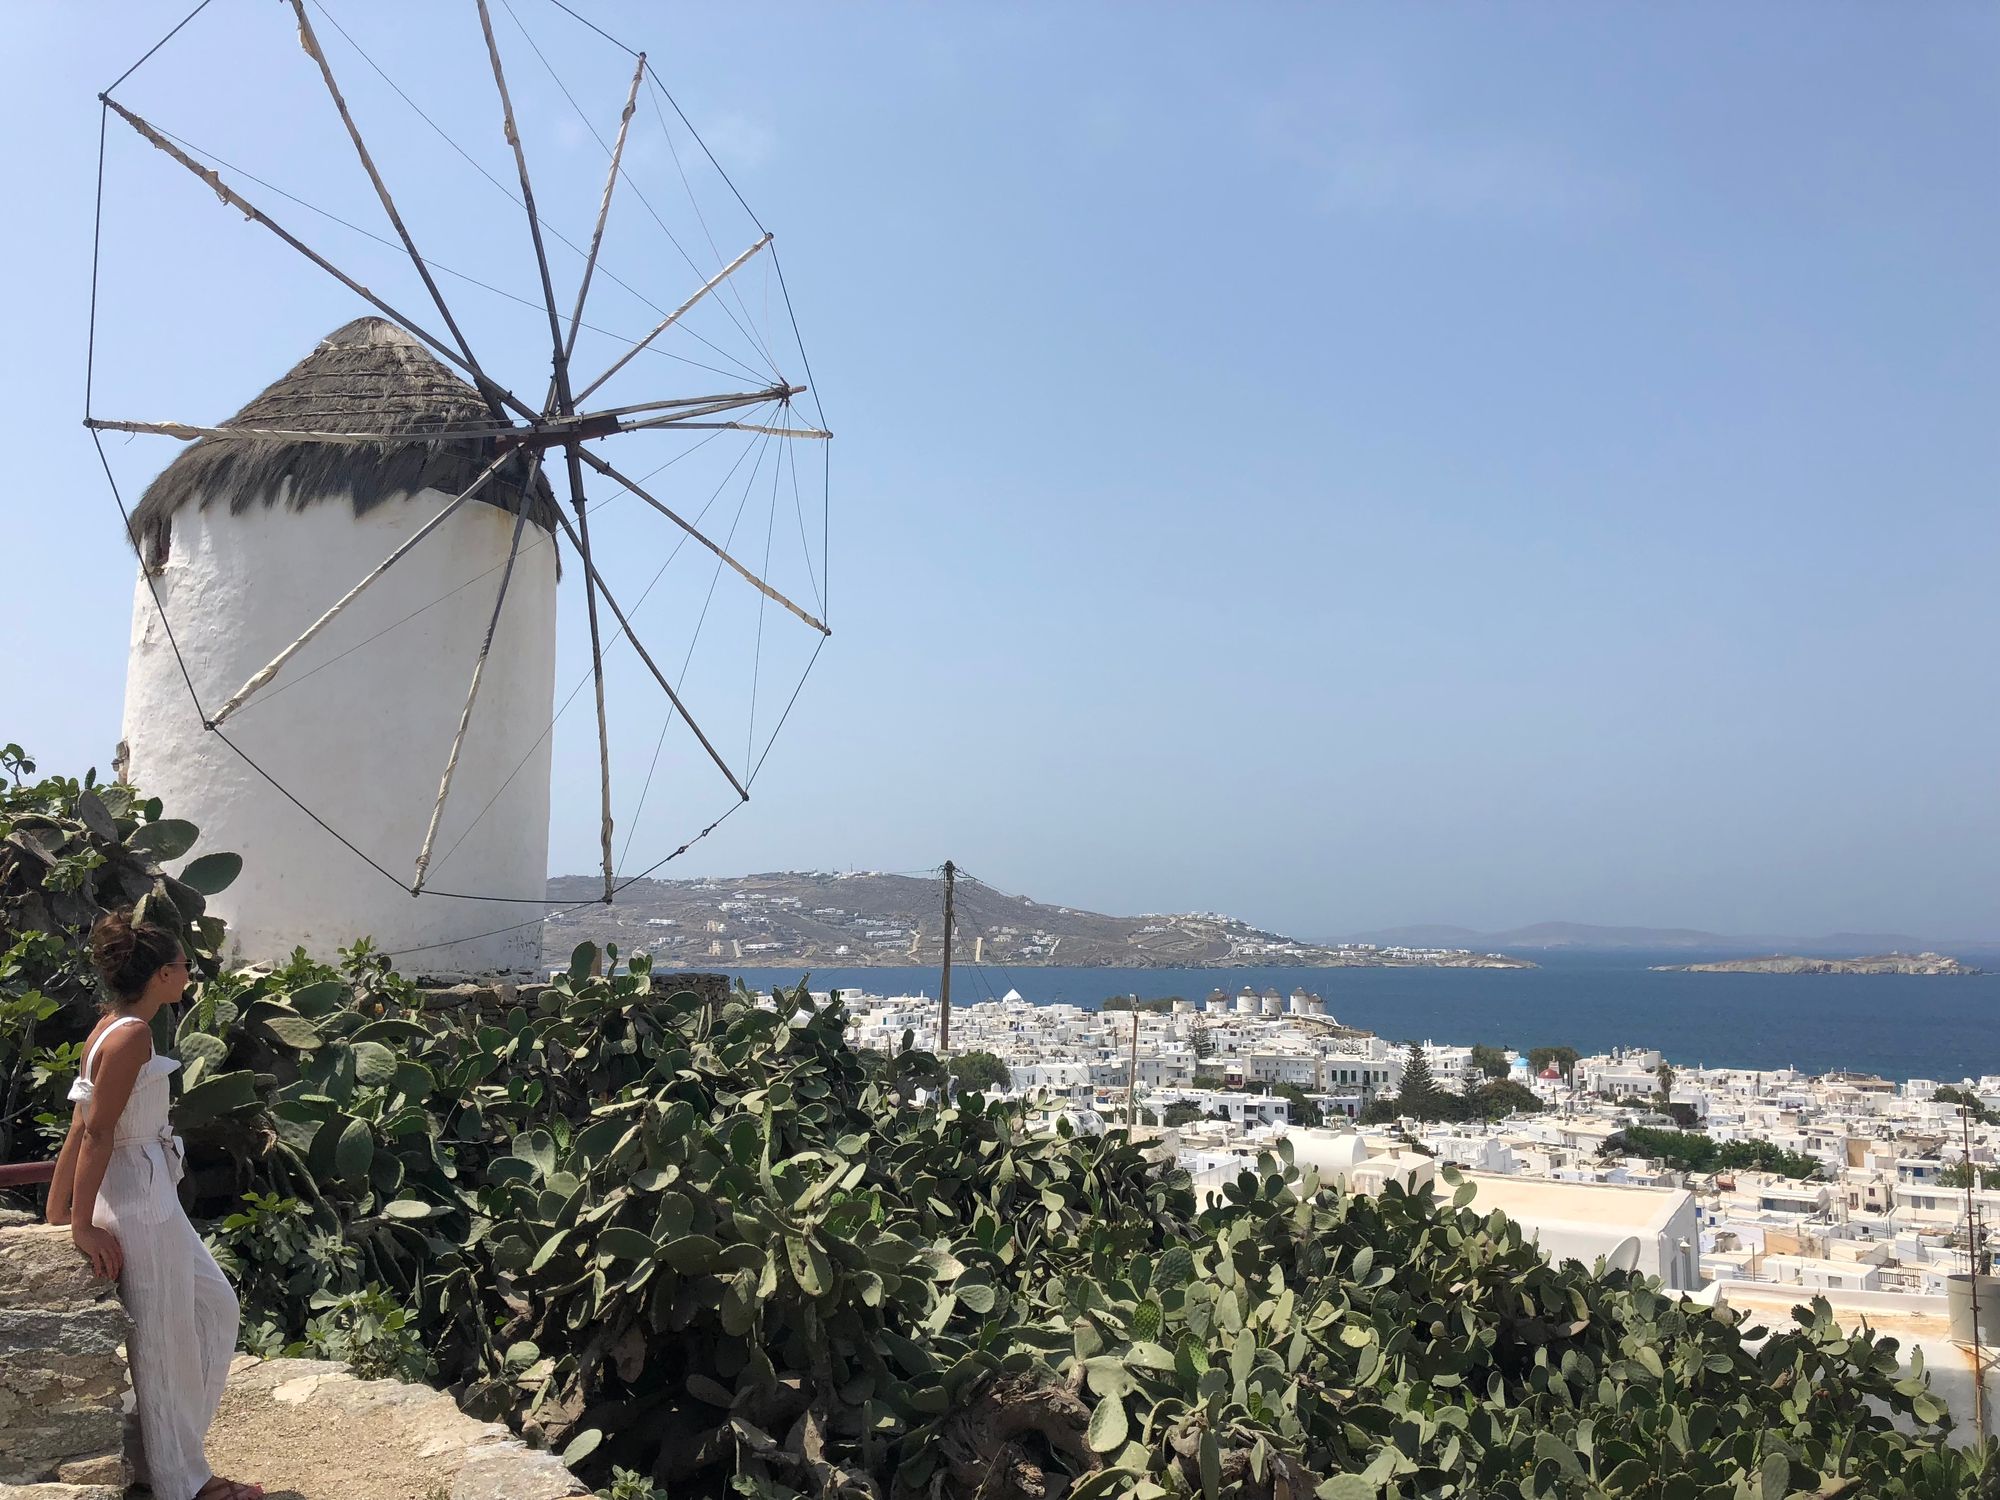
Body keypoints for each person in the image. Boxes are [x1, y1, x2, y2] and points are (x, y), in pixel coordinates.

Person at [46, 909, 264, 1500]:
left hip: (148, 1192)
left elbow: (79, 1125)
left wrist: (57, 1207)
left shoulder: (108, 1026)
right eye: (184, 968)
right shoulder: (134, 1034)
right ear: (164, 974)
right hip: (138, 1201)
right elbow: (94, 1133)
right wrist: (80, 1223)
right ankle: (183, 1483)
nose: (190, 976)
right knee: (163, 1344)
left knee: (215, 1307)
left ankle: (155, 1454)